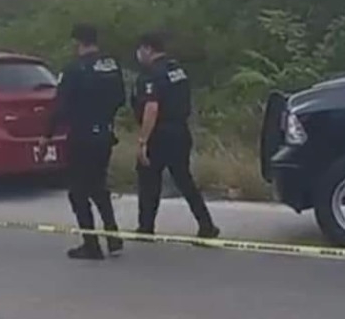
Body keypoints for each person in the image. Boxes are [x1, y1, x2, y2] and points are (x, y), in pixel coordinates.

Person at [40, 23, 126, 261]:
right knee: (98, 186)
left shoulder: (73, 70)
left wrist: (47, 136)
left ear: (77, 42)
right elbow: (121, 98)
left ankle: (91, 245)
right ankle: (113, 236)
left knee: (78, 192)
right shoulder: (111, 65)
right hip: (106, 134)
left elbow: (60, 107)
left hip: (82, 136)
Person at [131, 31, 220, 241]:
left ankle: (146, 228)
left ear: (147, 49)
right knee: (184, 180)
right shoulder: (177, 69)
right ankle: (206, 225)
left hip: (160, 134)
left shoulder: (151, 75)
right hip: (180, 131)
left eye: (140, 50)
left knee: (148, 181)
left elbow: (151, 108)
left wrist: (143, 140)